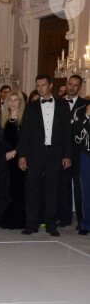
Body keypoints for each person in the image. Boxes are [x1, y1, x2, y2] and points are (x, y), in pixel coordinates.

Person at [18, 74, 72, 236]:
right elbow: (25, 134)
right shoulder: (31, 107)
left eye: (43, 85)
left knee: (52, 190)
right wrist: (22, 155)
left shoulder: (63, 106)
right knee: (32, 189)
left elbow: (67, 133)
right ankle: (31, 224)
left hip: (55, 153)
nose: (40, 88)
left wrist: (67, 155)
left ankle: (51, 225)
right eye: (38, 85)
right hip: (35, 154)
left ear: (50, 85)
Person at [58, 74, 88, 228]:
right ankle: (64, 218)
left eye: (75, 85)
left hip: (78, 151)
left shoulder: (86, 104)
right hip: (60, 151)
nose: (72, 87)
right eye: (70, 84)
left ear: (80, 87)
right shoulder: (58, 103)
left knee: (79, 186)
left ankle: (83, 220)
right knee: (63, 185)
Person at [0, 91, 26, 229]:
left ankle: (19, 219)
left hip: (20, 157)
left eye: (15, 100)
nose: (13, 102)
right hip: (5, 158)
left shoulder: (25, 118)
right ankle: (7, 217)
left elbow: (26, 139)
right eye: (10, 100)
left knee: (19, 188)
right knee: (7, 188)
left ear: (20, 102)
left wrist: (14, 152)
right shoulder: (3, 119)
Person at [73, 102, 90, 235]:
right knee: (86, 190)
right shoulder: (80, 110)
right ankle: (86, 223)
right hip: (86, 155)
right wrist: (86, 116)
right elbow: (75, 132)